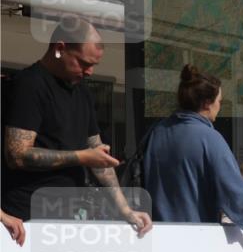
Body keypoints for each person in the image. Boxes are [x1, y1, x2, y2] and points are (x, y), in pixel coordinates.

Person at [1, 17, 151, 236]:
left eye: (93, 65)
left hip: (68, 218)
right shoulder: (30, 85)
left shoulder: (82, 92)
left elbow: (99, 158)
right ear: (60, 49)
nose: (89, 71)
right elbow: (16, 155)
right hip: (26, 220)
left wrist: (125, 209)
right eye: (84, 63)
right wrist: (83, 157)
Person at [143, 64, 243, 252]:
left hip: (153, 238)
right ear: (208, 103)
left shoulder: (157, 132)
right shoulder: (209, 138)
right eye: (220, 102)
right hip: (194, 241)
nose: (219, 107)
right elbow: (233, 187)